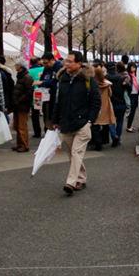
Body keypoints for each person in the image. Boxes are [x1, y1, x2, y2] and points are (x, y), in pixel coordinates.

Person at [52, 51, 101, 195]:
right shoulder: (62, 79)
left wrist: (90, 121)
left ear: (79, 64)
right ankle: (81, 178)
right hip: (65, 124)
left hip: (82, 124)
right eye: (66, 61)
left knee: (76, 152)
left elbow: (96, 102)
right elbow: (58, 101)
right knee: (73, 154)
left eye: (70, 61)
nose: (66, 64)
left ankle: (71, 182)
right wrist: (55, 120)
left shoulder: (88, 80)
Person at [91, 66, 115, 151]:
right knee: (105, 124)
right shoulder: (107, 84)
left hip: (95, 106)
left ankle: (98, 143)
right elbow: (110, 94)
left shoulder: (93, 84)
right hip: (105, 105)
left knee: (95, 125)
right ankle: (106, 140)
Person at [11, 62, 33, 152]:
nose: (15, 66)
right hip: (18, 105)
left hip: (22, 105)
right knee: (17, 126)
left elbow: (29, 92)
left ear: (20, 66)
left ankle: (24, 145)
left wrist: (19, 100)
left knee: (21, 126)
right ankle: (20, 144)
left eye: (16, 65)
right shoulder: (21, 76)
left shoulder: (26, 77)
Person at [107, 62, 129, 147]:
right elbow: (129, 88)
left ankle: (113, 135)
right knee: (120, 121)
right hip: (121, 102)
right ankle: (118, 137)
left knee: (110, 121)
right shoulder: (121, 78)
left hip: (110, 103)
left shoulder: (105, 78)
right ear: (115, 68)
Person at [28, 57, 43, 138]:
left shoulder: (29, 71)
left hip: (36, 94)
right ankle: (47, 130)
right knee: (46, 112)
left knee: (35, 113)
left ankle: (37, 132)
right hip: (45, 92)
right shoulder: (44, 69)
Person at [125, 62, 139, 133]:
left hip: (136, 94)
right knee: (132, 111)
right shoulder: (128, 75)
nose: (133, 69)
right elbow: (126, 86)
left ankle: (130, 125)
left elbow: (138, 83)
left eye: (134, 67)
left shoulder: (135, 75)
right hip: (130, 94)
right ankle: (128, 127)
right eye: (132, 67)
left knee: (133, 111)